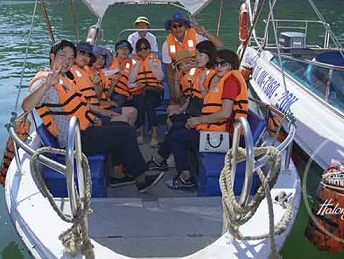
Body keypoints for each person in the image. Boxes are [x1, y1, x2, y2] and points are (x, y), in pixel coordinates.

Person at [21, 40, 163, 192]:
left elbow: (79, 106)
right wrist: (46, 85)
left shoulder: (64, 79)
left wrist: (93, 118)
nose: (67, 61)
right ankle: (141, 179)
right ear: (52, 56)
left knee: (123, 126)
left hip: (83, 129)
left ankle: (119, 175)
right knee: (125, 132)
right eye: (63, 56)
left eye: (70, 58)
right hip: (73, 140)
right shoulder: (44, 80)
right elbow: (26, 106)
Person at [149, 49, 248, 190]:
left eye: (223, 64)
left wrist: (199, 120)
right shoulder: (227, 80)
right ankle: (160, 160)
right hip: (218, 132)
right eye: (216, 64)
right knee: (178, 127)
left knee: (178, 137)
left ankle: (185, 177)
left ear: (231, 66)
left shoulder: (230, 82)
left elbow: (225, 114)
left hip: (226, 138)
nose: (218, 67)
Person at [161, 11, 223, 102]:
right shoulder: (166, 45)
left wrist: (205, 33)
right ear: (170, 28)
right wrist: (173, 95)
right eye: (174, 26)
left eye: (180, 25)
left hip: (201, 76)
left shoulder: (197, 35)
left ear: (185, 26)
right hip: (182, 80)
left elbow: (219, 45)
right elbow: (169, 71)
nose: (178, 28)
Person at [129, 37, 164, 146]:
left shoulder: (155, 60)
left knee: (149, 101)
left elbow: (159, 77)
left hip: (154, 91)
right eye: (140, 49)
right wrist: (137, 65)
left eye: (145, 48)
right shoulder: (134, 62)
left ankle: (154, 132)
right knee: (140, 101)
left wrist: (151, 66)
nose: (143, 51)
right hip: (140, 91)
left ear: (149, 49)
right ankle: (140, 130)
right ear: (137, 51)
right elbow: (131, 80)